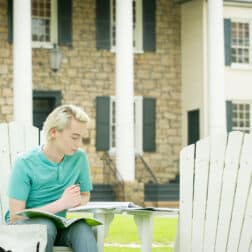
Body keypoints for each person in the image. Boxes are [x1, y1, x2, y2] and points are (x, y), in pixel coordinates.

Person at [6, 104, 98, 252]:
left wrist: (75, 200)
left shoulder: (79, 158)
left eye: (81, 138)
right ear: (54, 132)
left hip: (59, 225)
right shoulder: (24, 163)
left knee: (82, 228)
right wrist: (62, 203)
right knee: (45, 227)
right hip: (24, 229)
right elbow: (15, 217)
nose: (79, 144)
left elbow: (85, 195)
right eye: (74, 137)